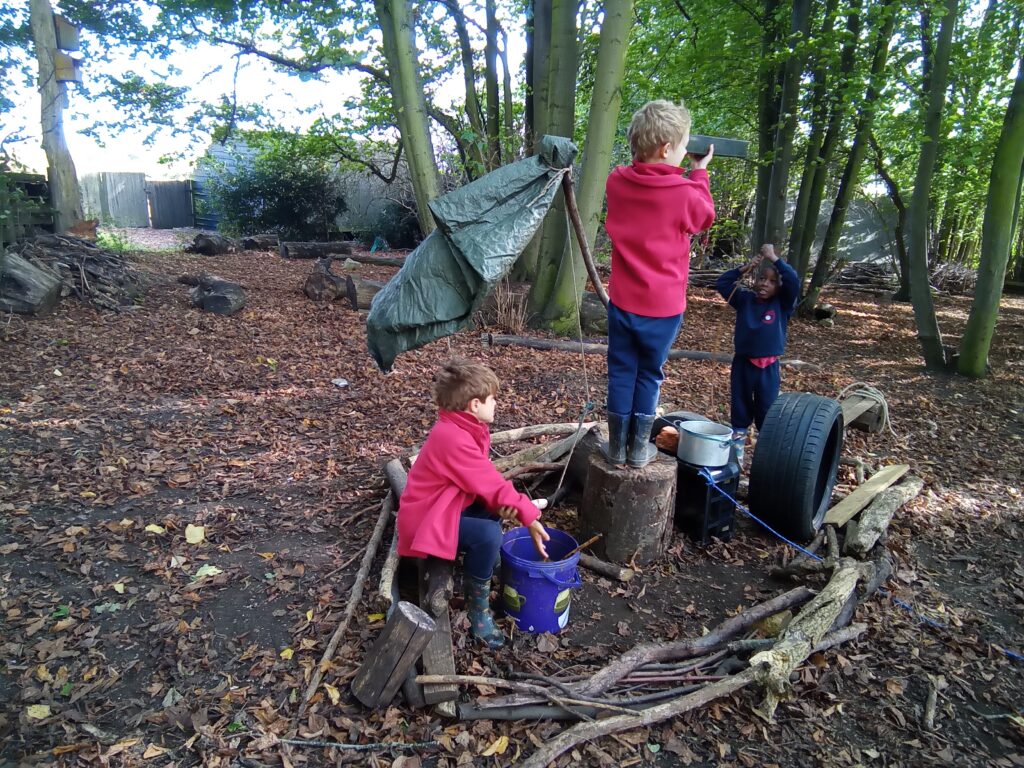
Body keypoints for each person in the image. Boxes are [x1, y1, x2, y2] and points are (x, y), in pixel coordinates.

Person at [397, 358, 550, 649]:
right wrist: (529, 516)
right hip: (425, 523)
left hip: (442, 506)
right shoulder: (452, 437)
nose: (497, 405)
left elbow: (479, 481)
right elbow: (490, 481)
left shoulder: (462, 428)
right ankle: (478, 611)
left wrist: (504, 505)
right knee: (487, 534)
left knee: (491, 512)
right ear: (475, 404)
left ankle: (484, 565)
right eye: (493, 399)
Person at [603, 99, 716, 468]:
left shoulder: (617, 182)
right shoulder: (684, 192)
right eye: (683, 147)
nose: (686, 154)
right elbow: (705, 217)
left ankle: (617, 447)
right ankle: (638, 451)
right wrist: (700, 172)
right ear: (667, 149)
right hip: (663, 309)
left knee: (621, 369)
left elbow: (639, 178)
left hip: (622, 301)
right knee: (649, 374)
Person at [715, 244, 800, 463]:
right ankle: (736, 457)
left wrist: (773, 258)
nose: (765, 284)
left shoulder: (782, 304)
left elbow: (792, 280)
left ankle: (764, 461)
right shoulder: (744, 300)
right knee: (740, 408)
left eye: (772, 281)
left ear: (779, 287)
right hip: (743, 364)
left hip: (768, 368)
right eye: (762, 278)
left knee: (767, 411)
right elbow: (723, 283)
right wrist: (743, 269)